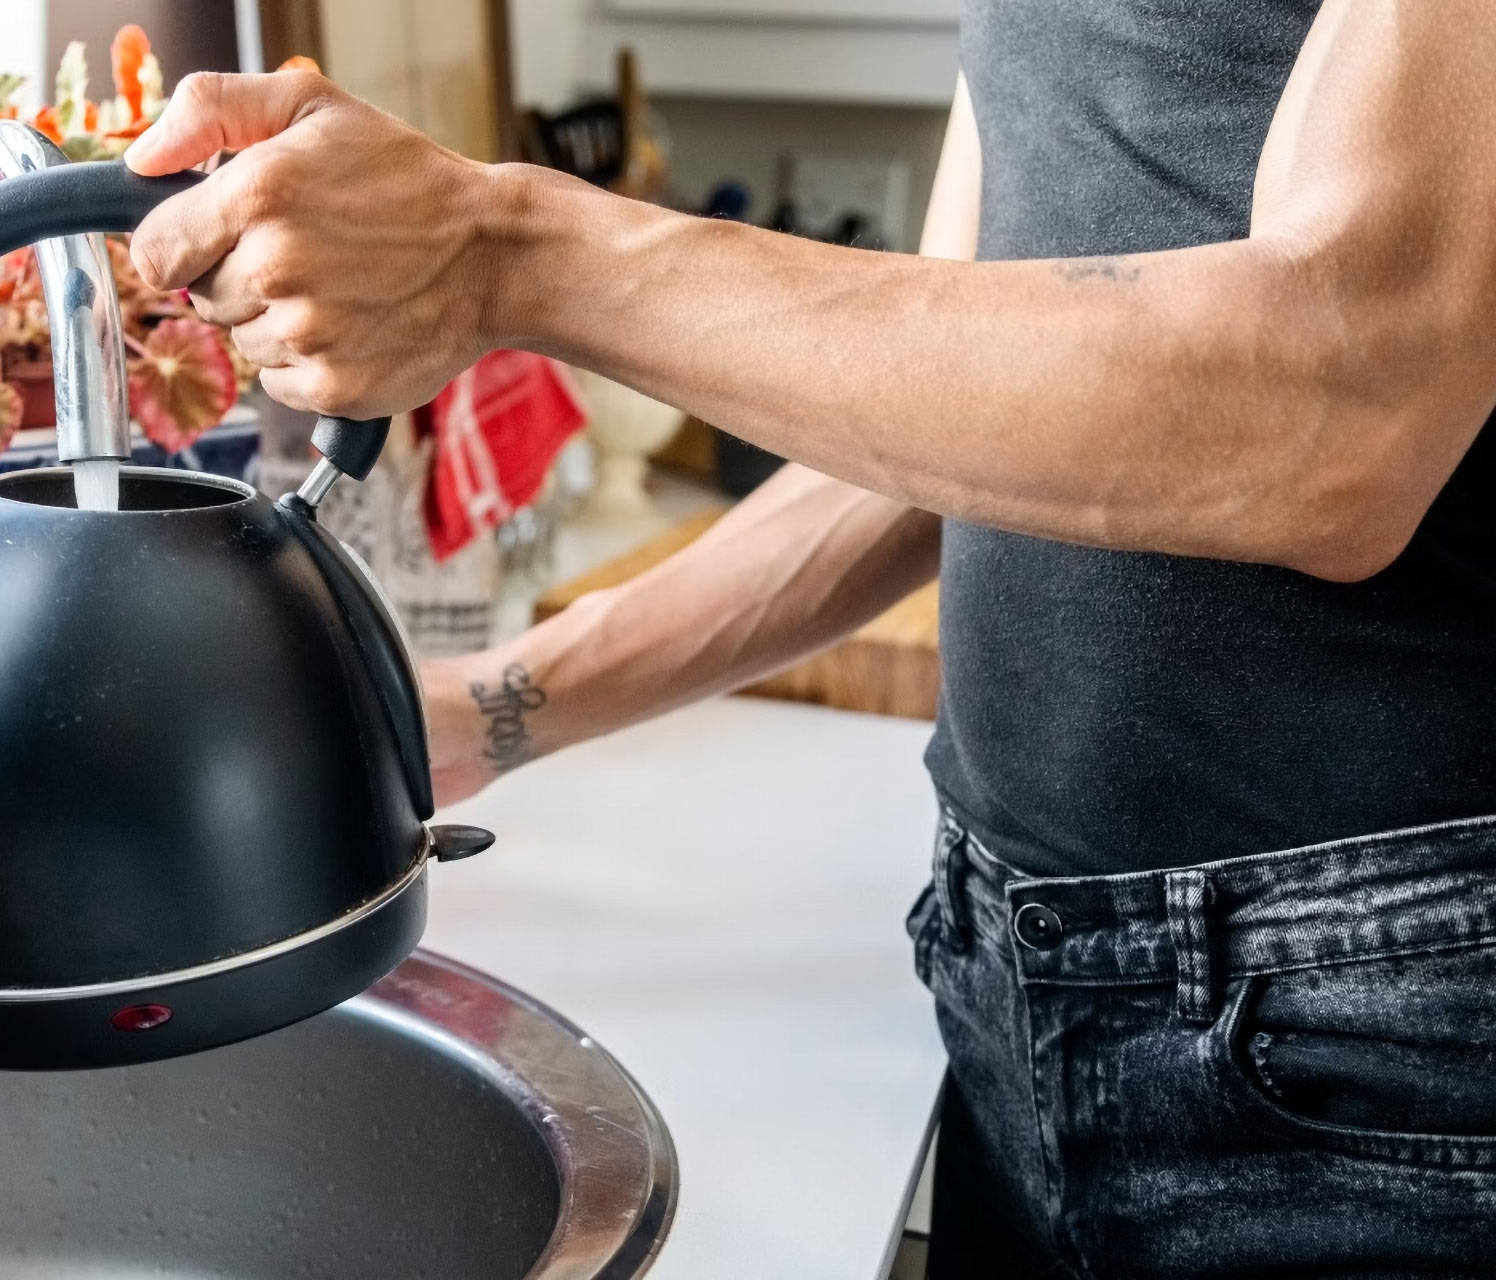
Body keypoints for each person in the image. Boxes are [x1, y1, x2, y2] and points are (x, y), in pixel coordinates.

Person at [124, 2, 1496, 1273]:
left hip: (1382, 1036)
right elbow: (939, 420)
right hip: (1013, 961)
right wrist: (478, 712)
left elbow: (1345, 398)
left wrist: (506, 246)